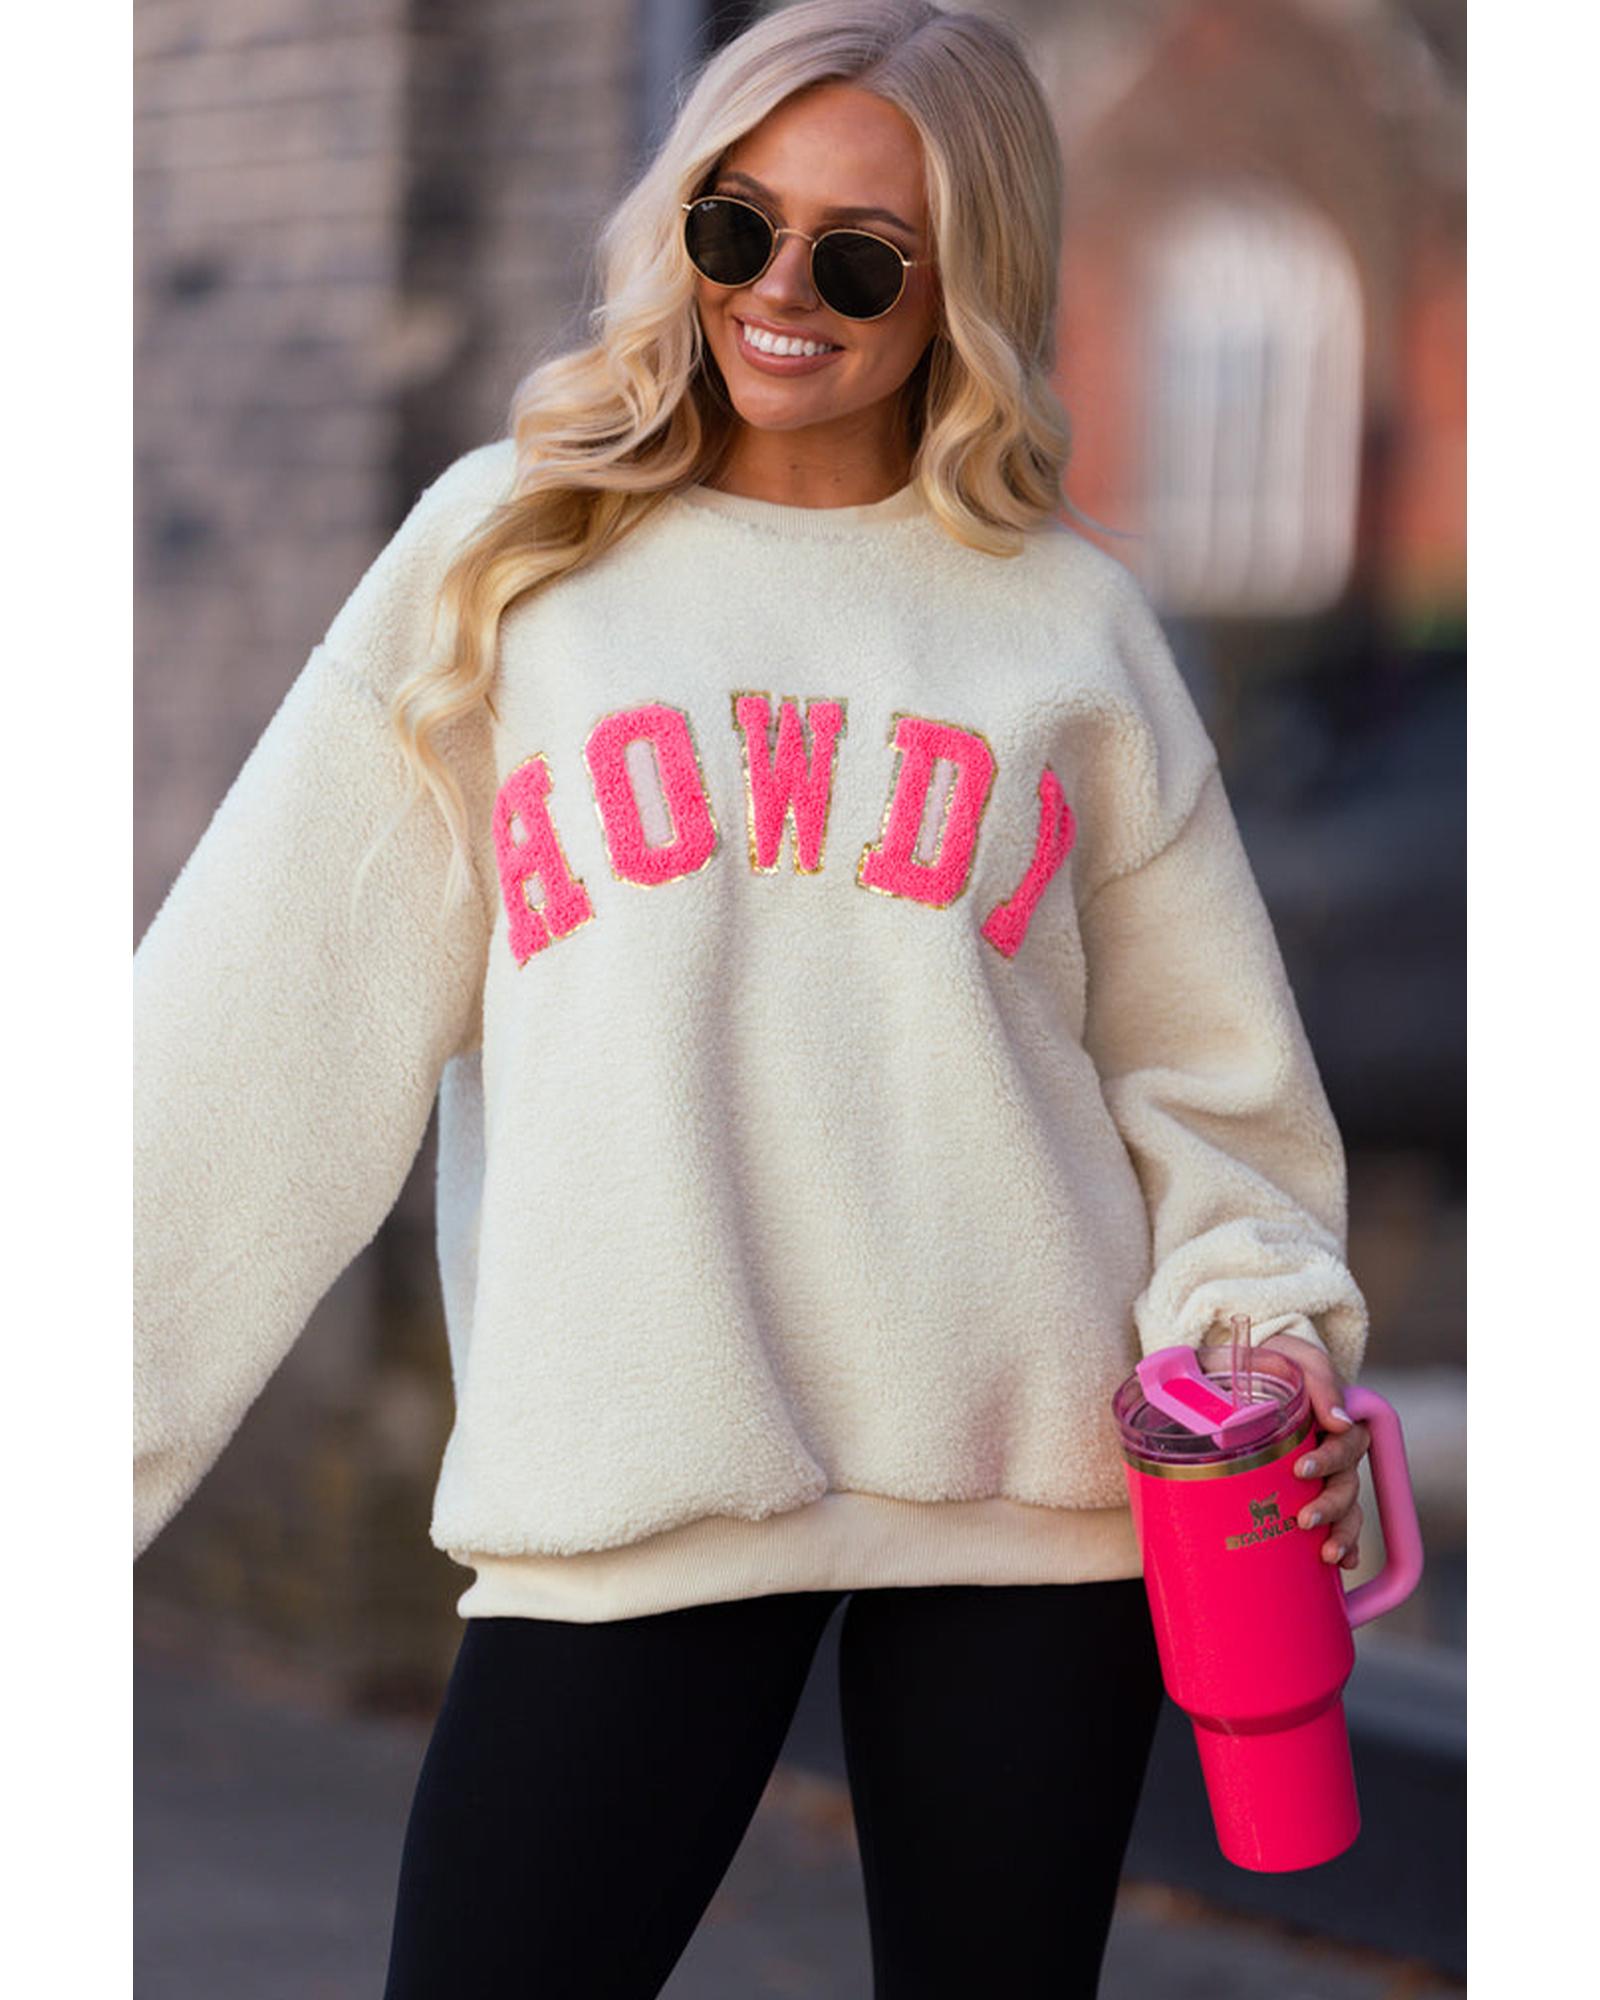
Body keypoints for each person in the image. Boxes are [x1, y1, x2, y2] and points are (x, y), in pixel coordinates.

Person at [132, 3, 1375, 1995]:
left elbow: (1208, 1081)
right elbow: (247, 1039)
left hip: (1032, 1505)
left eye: (860, 258)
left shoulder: (1066, 622)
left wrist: (1256, 1336)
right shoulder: (505, 561)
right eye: (736, 225)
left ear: (962, 286)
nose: (781, 293)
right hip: (638, 1474)